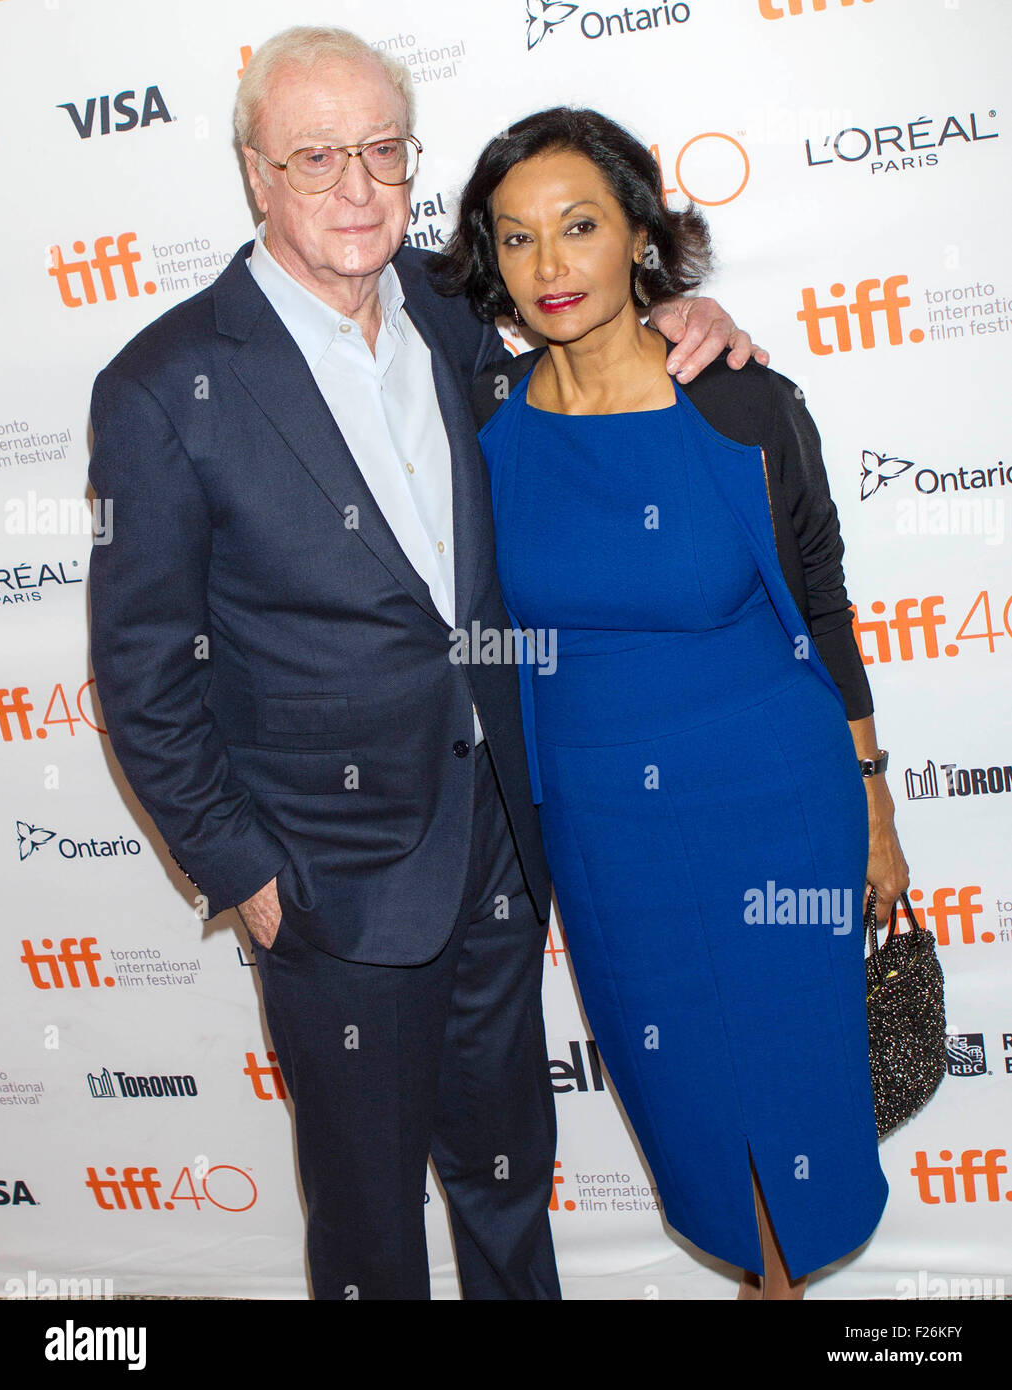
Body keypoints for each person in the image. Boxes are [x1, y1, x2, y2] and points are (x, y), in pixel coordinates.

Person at [86, 29, 761, 1300]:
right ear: (256, 174)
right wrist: (245, 872)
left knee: (510, 1181)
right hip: (328, 884)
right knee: (369, 1221)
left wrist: (682, 311)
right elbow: (141, 675)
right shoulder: (166, 385)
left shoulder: (457, 316)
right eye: (317, 157)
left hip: (496, 844)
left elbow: (588, 331)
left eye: (383, 152)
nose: (357, 188)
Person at [439, 106, 910, 1300]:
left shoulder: (740, 398)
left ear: (640, 234)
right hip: (606, 835)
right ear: (488, 261)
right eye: (517, 238)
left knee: (791, 1108)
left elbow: (826, 609)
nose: (550, 265)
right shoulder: (480, 422)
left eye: (580, 226)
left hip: (777, 805)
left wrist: (874, 801)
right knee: (693, 1112)